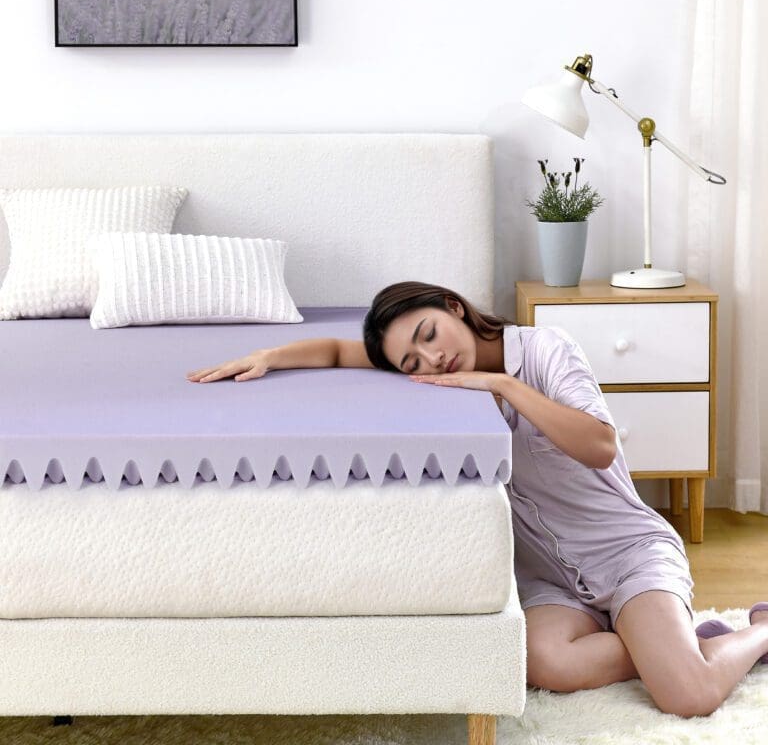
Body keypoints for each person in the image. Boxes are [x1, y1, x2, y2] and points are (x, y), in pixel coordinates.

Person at [187, 280, 768, 717]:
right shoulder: (431, 376)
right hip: (547, 580)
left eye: (429, 335)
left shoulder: (544, 351)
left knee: (686, 697)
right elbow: (341, 353)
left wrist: (502, 385)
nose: (431, 360)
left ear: (453, 308)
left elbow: (599, 444)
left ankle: (751, 632)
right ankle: (680, 644)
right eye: (410, 362)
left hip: (628, 553)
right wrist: (269, 358)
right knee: (541, 663)